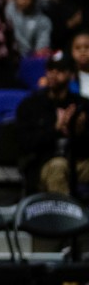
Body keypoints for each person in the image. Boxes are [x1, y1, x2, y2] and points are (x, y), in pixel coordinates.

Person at [16, 54, 89, 198]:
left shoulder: (82, 105)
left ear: (71, 74)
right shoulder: (31, 105)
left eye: (60, 70)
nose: (54, 74)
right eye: (50, 70)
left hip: (77, 162)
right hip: (42, 164)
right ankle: (65, 218)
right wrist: (55, 129)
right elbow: (25, 144)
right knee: (59, 165)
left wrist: (78, 131)